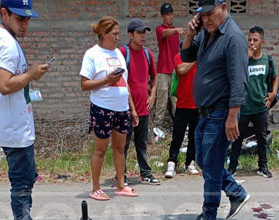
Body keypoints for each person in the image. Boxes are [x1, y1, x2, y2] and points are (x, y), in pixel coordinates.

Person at [0, 0, 49, 220]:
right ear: (4, 13)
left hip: (15, 121)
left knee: (28, 175)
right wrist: (31, 74)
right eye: (20, 18)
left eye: (28, 19)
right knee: (22, 180)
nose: (25, 24)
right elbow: (5, 85)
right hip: (13, 126)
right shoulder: (5, 43)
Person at [180, 0, 250, 220]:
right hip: (206, 113)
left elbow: (239, 81)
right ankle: (236, 192)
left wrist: (232, 117)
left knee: (210, 164)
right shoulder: (207, 34)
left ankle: (209, 213)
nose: (206, 19)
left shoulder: (233, 38)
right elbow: (186, 57)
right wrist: (191, 33)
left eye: (210, 14)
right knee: (202, 160)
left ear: (223, 7)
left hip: (221, 114)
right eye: (202, 15)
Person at [79, 16, 140, 201]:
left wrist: (132, 109)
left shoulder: (119, 54)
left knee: (120, 148)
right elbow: (84, 84)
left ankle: (121, 185)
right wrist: (106, 80)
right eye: (114, 34)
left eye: (118, 34)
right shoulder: (92, 54)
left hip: (121, 109)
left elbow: (125, 83)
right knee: (100, 149)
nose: (117, 38)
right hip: (102, 108)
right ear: (103, 34)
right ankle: (96, 188)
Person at [227, 25, 278, 179]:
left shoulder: (267, 60)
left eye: (255, 40)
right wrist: (245, 59)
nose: (251, 43)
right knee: (237, 138)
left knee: (262, 138)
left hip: (260, 107)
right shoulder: (242, 59)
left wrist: (273, 94)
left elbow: (275, 77)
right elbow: (234, 75)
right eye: (249, 39)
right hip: (243, 107)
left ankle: (263, 166)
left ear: (262, 42)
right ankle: (232, 167)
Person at [120, 18, 161, 186]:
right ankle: (121, 175)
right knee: (122, 145)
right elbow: (122, 81)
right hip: (126, 109)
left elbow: (155, 77)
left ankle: (146, 173)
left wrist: (152, 96)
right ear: (130, 35)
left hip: (143, 109)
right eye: (139, 32)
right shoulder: (123, 52)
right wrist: (132, 110)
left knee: (141, 143)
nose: (143, 36)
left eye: (145, 32)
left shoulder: (147, 53)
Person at [165, 52, 199, 178]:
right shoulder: (179, 56)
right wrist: (194, 59)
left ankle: (190, 163)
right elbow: (180, 70)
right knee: (177, 136)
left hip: (198, 105)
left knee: (194, 137)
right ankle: (172, 162)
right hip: (182, 105)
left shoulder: (202, 57)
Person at [155, 2, 185, 128]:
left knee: (176, 101)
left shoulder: (175, 32)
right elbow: (165, 33)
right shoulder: (160, 29)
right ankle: (157, 128)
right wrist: (176, 30)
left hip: (174, 71)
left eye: (171, 14)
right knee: (161, 101)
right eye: (167, 14)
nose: (170, 16)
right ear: (163, 16)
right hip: (162, 71)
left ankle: (179, 126)